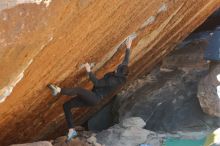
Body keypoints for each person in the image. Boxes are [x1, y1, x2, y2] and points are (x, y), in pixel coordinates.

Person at [48, 37, 133, 141]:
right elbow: (126, 60)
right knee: (66, 106)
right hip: (92, 97)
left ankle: (58, 90)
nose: (115, 69)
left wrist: (89, 71)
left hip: (95, 98)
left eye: (116, 70)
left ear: (119, 75)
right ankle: (71, 130)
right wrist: (128, 46)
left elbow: (97, 83)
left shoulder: (113, 81)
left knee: (79, 90)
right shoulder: (123, 72)